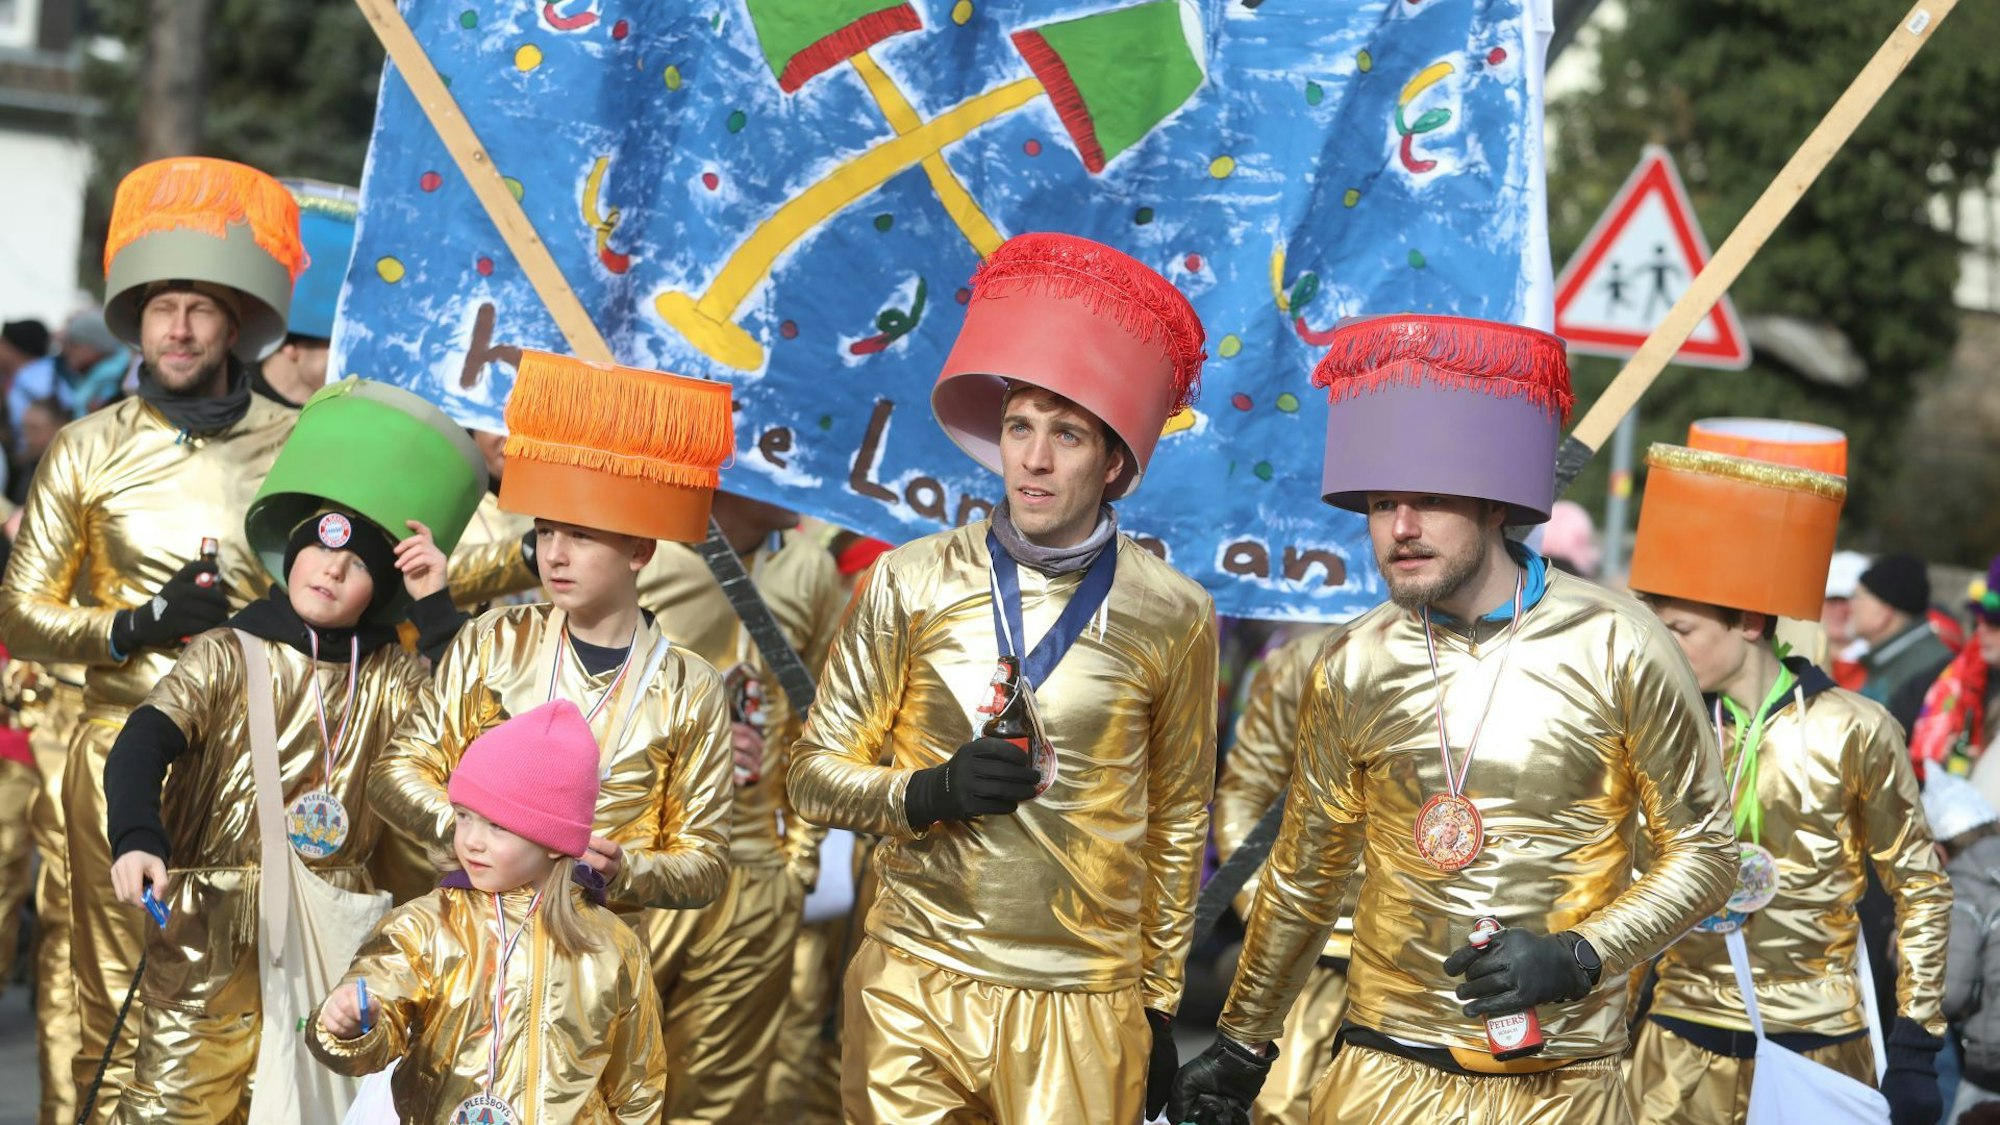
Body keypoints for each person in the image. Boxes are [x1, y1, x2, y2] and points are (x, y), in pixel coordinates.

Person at [1169, 313, 1736, 1125]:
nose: (1401, 527)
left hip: (1560, 1082)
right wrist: (1239, 1045)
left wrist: (1582, 953)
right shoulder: (1352, 661)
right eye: (1381, 503)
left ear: (1495, 502)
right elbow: (1304, 877)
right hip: (1379, 1068)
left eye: (1429, 500)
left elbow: (1706, 853)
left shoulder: (1622, 642)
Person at [788, 232, 1218, 1124]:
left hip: (1083, 1000)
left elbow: (1179, 820)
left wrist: (1159, 1002)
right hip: (914, 976)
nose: (1033, 457)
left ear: (1114, 461)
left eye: (1066, 434)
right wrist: (928, 789)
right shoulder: (908, 577)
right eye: (1019, 425)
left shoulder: (1176, 612)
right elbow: (812, 773)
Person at [0, 156, 304, 1125]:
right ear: (136, 318)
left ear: (235, 323)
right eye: (162, 306)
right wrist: (138, 626)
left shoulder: (298, 443)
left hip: (253, 765)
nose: (178, 328)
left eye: (200, 308)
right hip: (111, 760)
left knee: (231, 1013)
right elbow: (20, 614)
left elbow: (389, 573)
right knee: (104, 1001)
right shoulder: (88, 447)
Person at [96, 377, 485, 1124]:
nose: (331, 569)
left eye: (358, 564)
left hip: (333, 935)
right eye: (319, 549)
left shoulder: (397, 674)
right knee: (172, 1105)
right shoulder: (224, 651)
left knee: (309, 1110)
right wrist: (137, 835)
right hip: (212, 926)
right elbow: (142, 742)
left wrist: (437, 611)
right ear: (291, 555)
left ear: (383, 588)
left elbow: (475, 732)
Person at [369, 349, 736, 972]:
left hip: (596, 968)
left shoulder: (689, 686)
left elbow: (705, 863)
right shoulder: (494, 639)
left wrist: (628, 871)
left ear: (640, 550)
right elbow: (395, 773)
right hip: (468, 947)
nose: (554, 556)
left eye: (581, 535)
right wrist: (476, 835)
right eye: (544, 532)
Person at [1622, 440, 1949, 1125]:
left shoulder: (1857, 727)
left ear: (1747, 621)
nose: (1661, 648)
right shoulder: (1660, 728)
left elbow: (1919, 883)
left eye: (1678, 628)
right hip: (1676, 1043)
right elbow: (1631, 882)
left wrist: (1917, 1041)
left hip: (1818, 1046)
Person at [311, 700, 667, 1123]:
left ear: (556, 841)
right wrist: (352, 1026)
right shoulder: (425, 925)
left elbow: (637, 1085)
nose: (471, 841)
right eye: (463, 816)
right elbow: (380, 1015)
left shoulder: (613, 947)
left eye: (497, 826)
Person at [637, 489, 843, 1124]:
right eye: (784, 461)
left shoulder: (811, 568)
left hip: (755, 875)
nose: (806, 480)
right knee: (599, 1086)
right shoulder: (640, 549)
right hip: (634, 873)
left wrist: (797, 866)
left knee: (718, 1108)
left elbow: (824, 730)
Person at [1211, 622, 1345, 1124]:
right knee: (1285, 1109)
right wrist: (1268, 911)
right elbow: (1245, 793)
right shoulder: (1307, 661)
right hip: (1312, 957)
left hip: (1435, 965)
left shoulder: (1508, 665)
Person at [252, 181, 357, 409]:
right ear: (290, 347)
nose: (354, 366)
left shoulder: (345, 420)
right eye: (338, 346)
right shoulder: (231, 405)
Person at [1898, 555, 2000, 782]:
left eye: (1995, 622)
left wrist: (1984, 769)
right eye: (1978, 620)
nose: (1982, 630)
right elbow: (1891, 728)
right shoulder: (1950, 674)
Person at [1853, 553, 1953, 717]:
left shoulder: (1922, 666)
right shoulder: (1890, 658)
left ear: (1884, 611)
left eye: (1858, 597)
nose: (1850, 607)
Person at [8, 396, 71, 505]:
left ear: (59, 428)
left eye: (35, 429)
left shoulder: (71, 473)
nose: (28, 437)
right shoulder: (19, 468)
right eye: (25, 428)